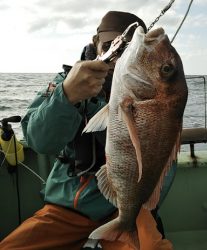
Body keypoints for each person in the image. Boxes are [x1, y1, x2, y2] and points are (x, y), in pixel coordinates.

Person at [0, 11, 176, 250]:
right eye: (112, 45)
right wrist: (67, 94)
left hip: (126, 208)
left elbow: (162, 158)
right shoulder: (66, 81)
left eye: (126, 49)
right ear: (96, 42)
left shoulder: (148, 93)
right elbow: (38, 141)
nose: (117, 57)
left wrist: (140, 207)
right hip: (67, 207)